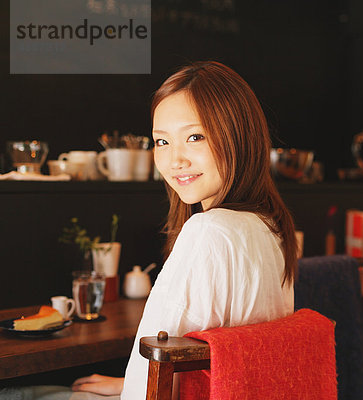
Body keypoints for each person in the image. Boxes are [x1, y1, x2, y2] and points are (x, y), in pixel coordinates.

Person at [1, 61, 297, 400]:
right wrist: (127, 383)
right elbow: (193, 366)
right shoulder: (272, 228)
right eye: (162, 142)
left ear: (239, 137)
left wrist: (134, 387)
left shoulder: (208, 232)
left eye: (195, 137)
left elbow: (157, 372)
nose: (175, 161)